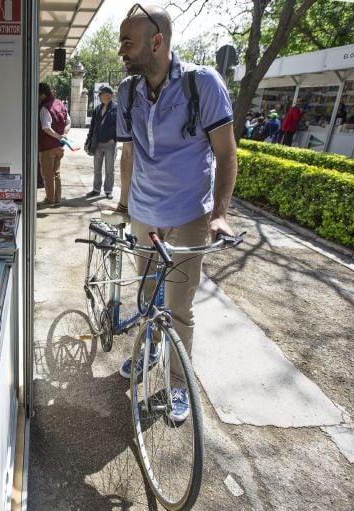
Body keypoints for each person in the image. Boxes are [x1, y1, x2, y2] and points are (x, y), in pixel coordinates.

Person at [116, 5, 237, 421]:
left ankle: (178, 384)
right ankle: (149, 351)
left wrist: (220, 214)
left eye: (127, 42)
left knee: (179, 308)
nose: (121, 52)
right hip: (144, 213)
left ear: (157, 42)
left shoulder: (201, 84)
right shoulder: (127, 92)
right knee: (147, 297)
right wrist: (123, 201)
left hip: (188, 214)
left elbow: (225, 153)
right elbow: (129, 153)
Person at [38, 82, 70, 207]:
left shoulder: (45, 108)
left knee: (47, 174)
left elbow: (46, 128)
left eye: (38, 95)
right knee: (56, 173)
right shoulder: (60, 104)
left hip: (47, 147)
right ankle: (57, 198)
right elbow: (68, 122)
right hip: (59, 147)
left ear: (43, 95)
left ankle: (50, 199)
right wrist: (63, 135)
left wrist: (58, 136)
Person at [84, 85, 118, 199]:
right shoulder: (97, 108)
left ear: (109, 95)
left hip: (110, 143)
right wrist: (88, 140)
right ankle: (96, 189)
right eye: (100, 95)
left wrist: (115, 138)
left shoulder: (117, 108)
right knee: (97, 168)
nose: (100, 97)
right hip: (97, 143)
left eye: (101, 95)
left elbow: (120, 126)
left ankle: (108, 190)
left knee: (110, 169)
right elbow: (92, 126)